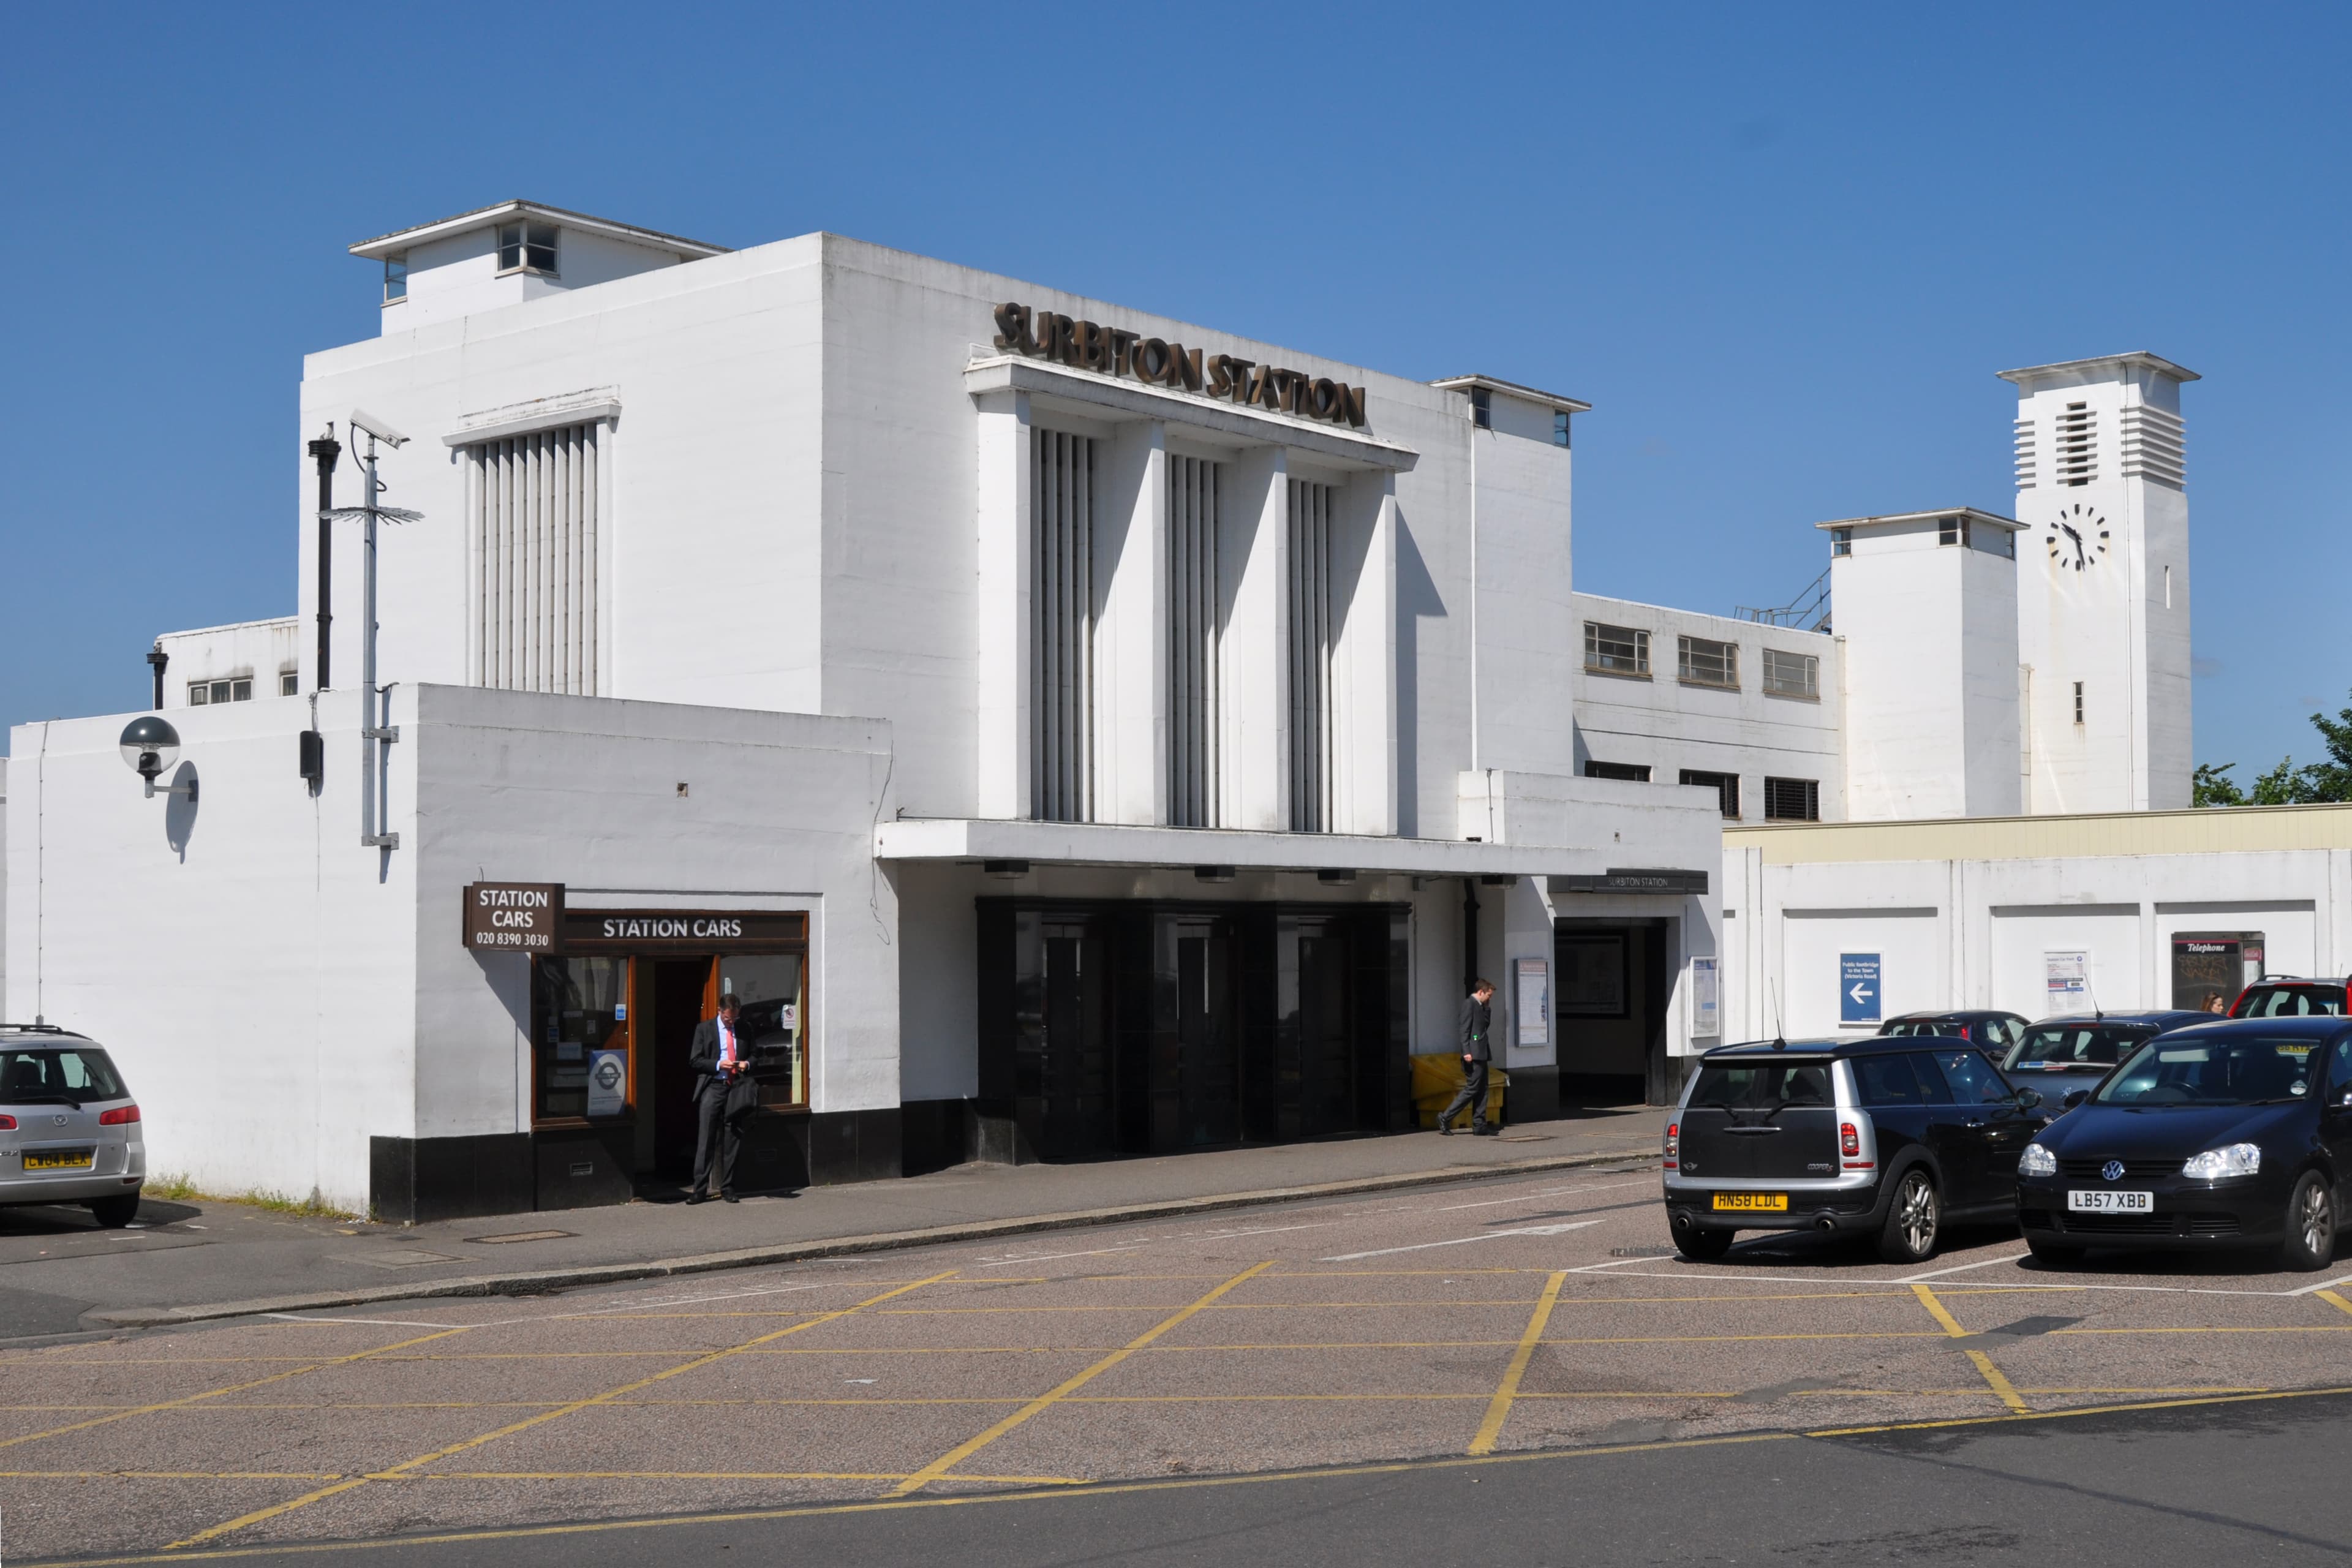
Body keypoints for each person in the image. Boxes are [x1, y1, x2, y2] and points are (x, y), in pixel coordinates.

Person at [687, 993, 753, 1203]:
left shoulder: (745, 1029)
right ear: (719, 1011)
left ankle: (728, 1188)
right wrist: (718, 1064)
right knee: (706, 1139)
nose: (732, 1022)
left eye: (734, 1019)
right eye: (728, 1019)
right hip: (714, 1086)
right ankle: (700, 1189)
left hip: (736, 1088)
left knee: (732, 1138)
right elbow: (695, 1060)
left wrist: (746, 1064)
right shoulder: (704, 1029)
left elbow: (755, 1054)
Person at [1437, 978, 1498, 1136]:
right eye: (1488, 995)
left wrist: (1487, 1008)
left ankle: (1479, 1124)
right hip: (1473, 1054)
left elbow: (1484, 1026)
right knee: (1472, 1088)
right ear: (1481, 991)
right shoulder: (1469, 1004)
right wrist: (1466, 1052)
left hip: (1482, 1053)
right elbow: (1464, 1030)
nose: (1489, 998)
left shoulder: (1480, 1006)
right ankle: (1445, 1117)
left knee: (1483, 1089)